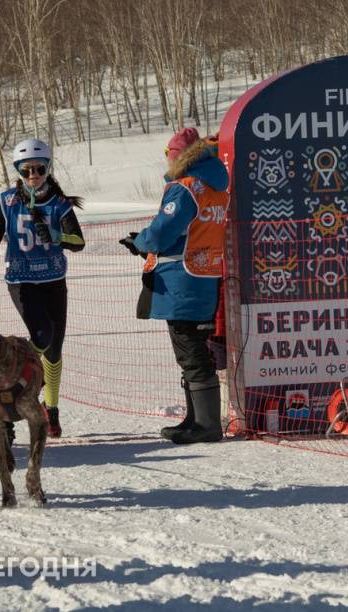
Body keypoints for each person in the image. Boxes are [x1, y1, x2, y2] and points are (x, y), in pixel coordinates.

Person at [119, 127, 229, 444]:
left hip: (182, 282)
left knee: (190, 353)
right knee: (194, 352)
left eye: (169, 156)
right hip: (205, 277)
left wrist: (140, 242)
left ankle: (206, 424)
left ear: (178, 157)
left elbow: (162, 233)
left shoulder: (185, 188)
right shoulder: (216, 187)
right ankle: (196, 419)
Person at [0, 138, 85, 438]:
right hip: (21, 280)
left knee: (55, 351)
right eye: (26, 171)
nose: (33, 175)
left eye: (39, 168)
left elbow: (79, 242)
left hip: (53, 280)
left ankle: (52, 408)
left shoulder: (59, 205)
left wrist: (57, 236)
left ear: (48, 169)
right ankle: (15, 369)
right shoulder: (7, 201)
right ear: (18, 172)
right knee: (42, 336)